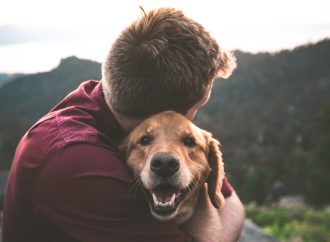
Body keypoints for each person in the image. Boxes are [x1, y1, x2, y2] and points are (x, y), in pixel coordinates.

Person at [3, 7, 245, 242]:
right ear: (167, 113)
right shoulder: (77, 163)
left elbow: (232, 203)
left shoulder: (106, 101)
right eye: (199, 105)